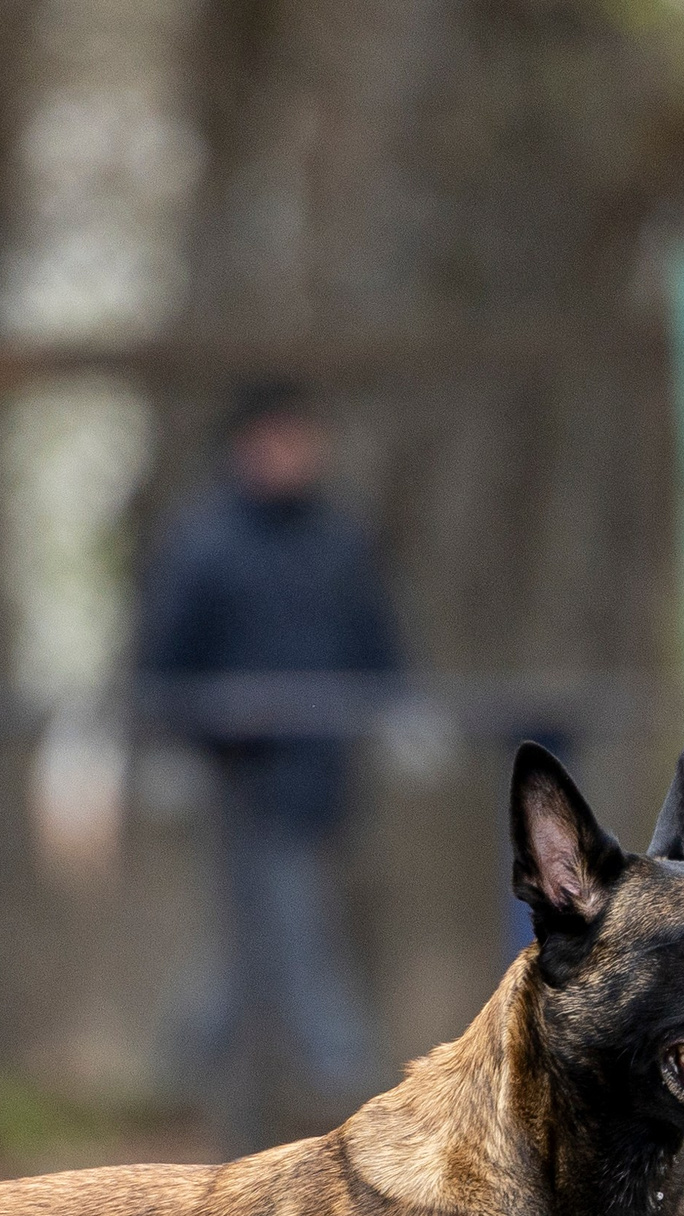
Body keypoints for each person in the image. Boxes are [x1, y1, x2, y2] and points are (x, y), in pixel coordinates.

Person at [135, 379, 403, 1153]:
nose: (290, 455)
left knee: (250, 949)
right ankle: (343, 1076)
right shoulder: (203, 542)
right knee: (290, 929)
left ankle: (184, 1066)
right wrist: (170, 747)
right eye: (274, 440)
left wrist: (401, 713)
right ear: (243, 446)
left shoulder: (341, 538)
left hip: (327, 777)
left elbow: (376, 640)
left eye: (301, 439)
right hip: (236, 783)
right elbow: (163, 659)